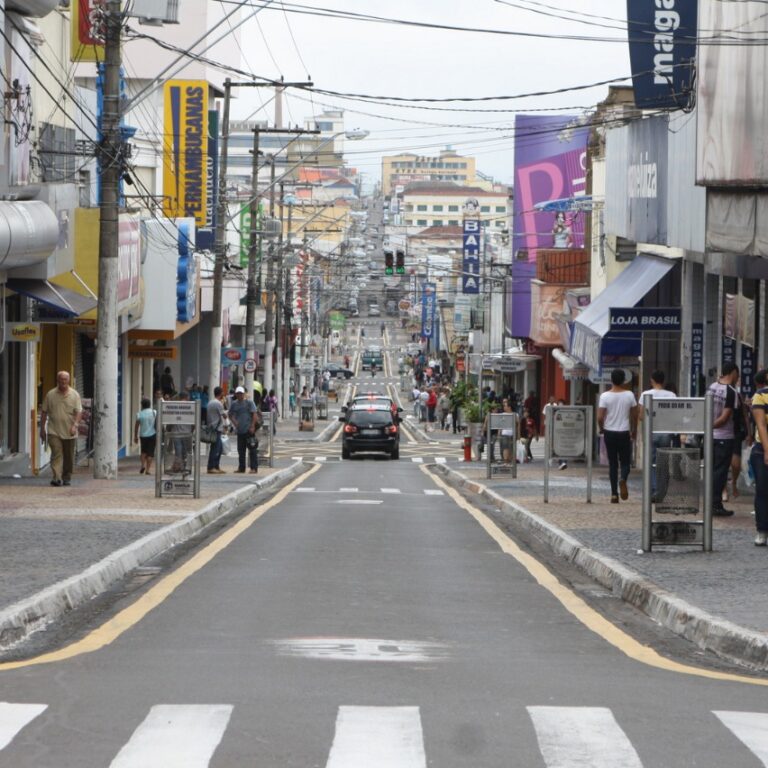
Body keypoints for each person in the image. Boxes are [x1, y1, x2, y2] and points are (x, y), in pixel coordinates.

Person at [597, 369, 638, 503]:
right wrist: (634, 429)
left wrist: (602, 428)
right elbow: (634, 415)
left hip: (609, 432)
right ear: (624, 380)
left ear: (611, 380)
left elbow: (600, 416)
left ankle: (614, 494)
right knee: (625, 462)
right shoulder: (629, 395)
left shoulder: (604, 396)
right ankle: (623, 479)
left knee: (613, 464)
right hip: (624, 432)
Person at [708, 363, 741, 516]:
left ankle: (711, 502)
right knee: (720, 472)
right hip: (724, 437)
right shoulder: (731, 392)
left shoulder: (712, 387)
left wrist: (706, 427)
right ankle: (715, 504)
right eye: (737, 374)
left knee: (712, 470)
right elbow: (725, 417)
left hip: (711, 438)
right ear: (733, 373)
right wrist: (711, 426)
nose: (738, 378)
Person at [639, 370, 677, 502]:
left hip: (652, 432)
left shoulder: (645, 394)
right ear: (663, 380)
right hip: (666, 432)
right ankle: (662, 490)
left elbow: (641, 416)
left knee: (651, 462)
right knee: (664, 462)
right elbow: (674, 414)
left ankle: (654, 490)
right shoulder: (671, 395)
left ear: (652, 380)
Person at [40, 371, 82, 487]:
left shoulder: (75, 395)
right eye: (61, 379)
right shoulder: (50, 394)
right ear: (57, 380)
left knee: (69, 457)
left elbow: (79, 412)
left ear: (68, 380)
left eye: (65, 379)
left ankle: (66, 476)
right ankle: (57, 478)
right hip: (54, 431)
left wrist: (75, 425)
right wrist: (42, 429)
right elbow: (44, 412)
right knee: (56, 454)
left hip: (70, 431)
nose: (63, 381)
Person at [750, 369, 768, 546]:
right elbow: (761, 424)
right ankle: (762, 530)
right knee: (763, 490)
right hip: (762, 449)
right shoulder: (760, 396)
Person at [229, 386, 261, 474]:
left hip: (249, 430)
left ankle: (254, 468)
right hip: (240, 430)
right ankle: (241, 467)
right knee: (241, 450)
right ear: (236, 394)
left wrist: (252, 426)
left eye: (241, 393)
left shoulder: (249, 402)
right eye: (238, 393)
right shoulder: (234, 404)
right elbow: (230, 414)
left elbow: (254, 414)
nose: (240, 395)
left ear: (244, 394)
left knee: (252, 449)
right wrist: (235, 423)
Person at [206, 386, 227, 474]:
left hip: (212, 427)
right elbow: (224, 416)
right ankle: (211, 467)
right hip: (216, 428)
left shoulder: (210, 402)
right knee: (215, 448)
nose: (224, 394)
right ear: (220, 393)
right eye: (223, 392)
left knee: (218, 447)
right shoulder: (218, 403)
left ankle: (216, 466)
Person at [133, 397, 157, 475]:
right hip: (152, 435)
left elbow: (136, 426)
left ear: (142, 405)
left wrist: (135, 436)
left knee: (143, 451)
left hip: (143, 435)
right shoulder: (154, 412)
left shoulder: (139, 414)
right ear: (150, 404)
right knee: (150, 453)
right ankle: (148, 470)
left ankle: (142, 465)